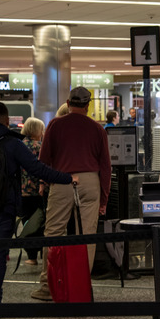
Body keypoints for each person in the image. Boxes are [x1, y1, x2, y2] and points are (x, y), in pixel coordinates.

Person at [0, 102, 74, 304]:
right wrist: (67, 178)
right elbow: (38, 169)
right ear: (7, 121)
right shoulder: (11, 144)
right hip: (3, 208)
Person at [32, 87, 111, 301]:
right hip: (90, 181)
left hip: (62, 180)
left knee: (54, 233)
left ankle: (48, 287)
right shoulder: (97, 128)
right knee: (86, 236)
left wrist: (43, 181)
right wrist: (103, 199)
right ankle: (80, 284)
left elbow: (44, 158)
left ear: (68, 102)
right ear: (88, 104)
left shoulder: (56, 125)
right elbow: (105, 166)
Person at [20, 116, 47, 265]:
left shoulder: (20, 146)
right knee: (40, 221)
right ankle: (43, 252)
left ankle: (31, 256)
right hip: (39, 190)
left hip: (23, 190)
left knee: (28, 222)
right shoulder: (40, 147)